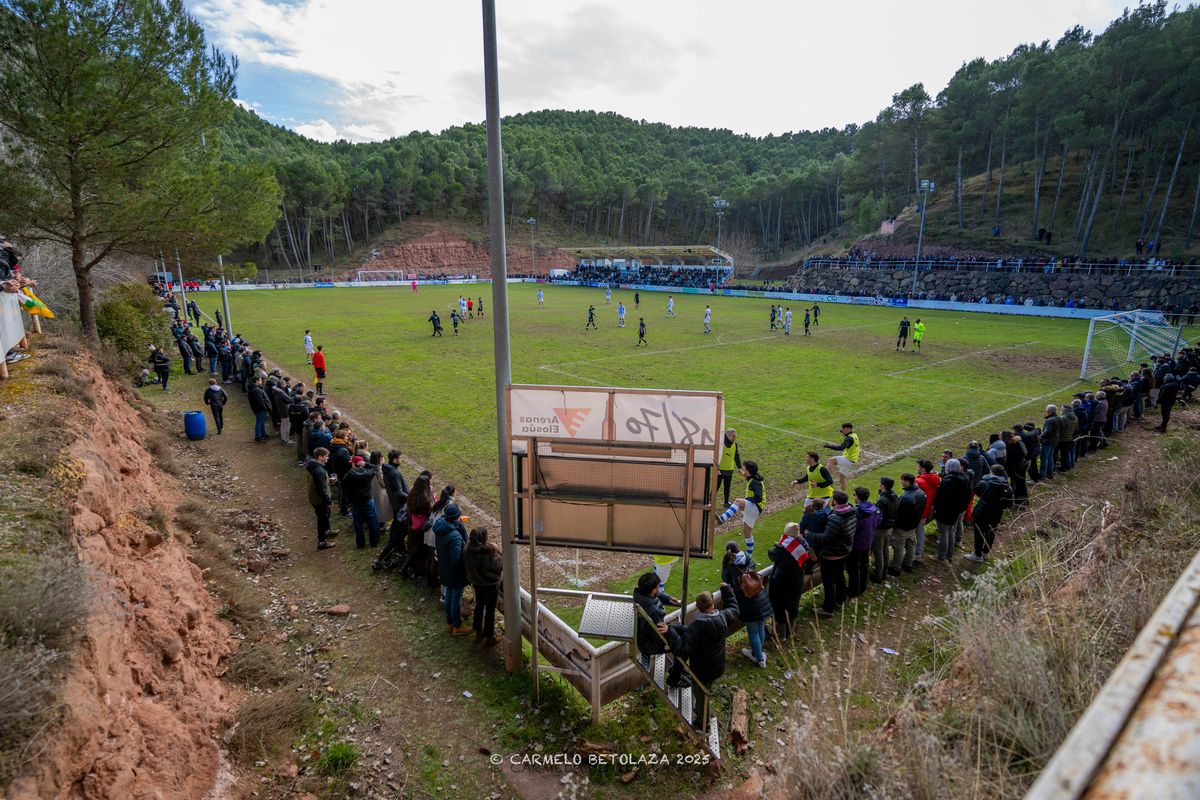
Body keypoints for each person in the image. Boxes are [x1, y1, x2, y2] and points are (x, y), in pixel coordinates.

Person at [663, 584, 739, 690]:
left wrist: (669, 632)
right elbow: (734, 608)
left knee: (701, 694)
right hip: (717, 666)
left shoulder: (695, 629)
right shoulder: (723, 618)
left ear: (697, 607)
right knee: (707, 686)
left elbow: (681, 650)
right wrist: (726, 590)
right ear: (712, 604)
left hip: (701, 671)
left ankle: (699, 705)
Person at [804, 490, 855, 616]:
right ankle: (840, 599)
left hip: (832, 554)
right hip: (844, 550)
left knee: (828, 580)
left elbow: (825, 537)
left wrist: (809, 534)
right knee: (839, 575)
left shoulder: (835, 518)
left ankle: (828, 608)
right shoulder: (852, 511)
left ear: (835, 501)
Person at [722, 541, 771, 668]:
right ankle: (758, 653)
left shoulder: (730, 566)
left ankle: (759, 659)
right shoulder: (748, 559)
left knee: (753, 631)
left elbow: (725, 580)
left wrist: (725, 565)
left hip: (746, 602)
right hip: (760, 597)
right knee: (760, 627)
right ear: (739, 548)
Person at [433, 505, 473, 635]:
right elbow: (456, 559)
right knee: (456, 597)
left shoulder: (441, 527)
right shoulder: (454, 536)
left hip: (445, 568)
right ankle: (457, 625)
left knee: (449, 594)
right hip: (454, 572)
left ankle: (449, 622)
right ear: (455, 518)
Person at [767, 523, 811, 642]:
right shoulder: (803, 543)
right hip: (797, 579)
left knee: (779, 606)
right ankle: (790, 630)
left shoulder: (784, 547)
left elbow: (772, 555)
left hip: (783, 581)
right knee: (793, 604)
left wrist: (775, 545)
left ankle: (780, 635)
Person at [715, 459, 764, 558]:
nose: (743, 470)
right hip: (755, 510)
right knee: (747, 533)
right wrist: (744, 475)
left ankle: (722, 519)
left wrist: (747, 500)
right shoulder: (753, 478)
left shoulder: (755, 482)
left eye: (744, 469)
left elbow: (758, 498)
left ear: (749, 471)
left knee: (738, 501)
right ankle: (749, 558)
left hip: (755, 507)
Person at [965, 465, 1014, 563]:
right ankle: (985, 552)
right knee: (990, 532)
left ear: (992, 472)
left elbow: (977, 491)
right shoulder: (1007, 487)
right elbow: (1009, 504)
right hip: (996, 513)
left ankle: (977, 554)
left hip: (982, 511)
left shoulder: (984, 482)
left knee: (979, 533)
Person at [632, 572, 682, 667]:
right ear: (652, 590)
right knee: (680, 644)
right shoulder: (653, 612)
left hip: (643, 637)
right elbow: (657, 635)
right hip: (649, 644)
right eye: (657, 586)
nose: (659, 587)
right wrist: (667, 644)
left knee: (680, 630)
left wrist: (668, 599)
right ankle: (677, 673)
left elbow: (656, 595)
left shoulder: (640, 595)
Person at [464, 527, 503, 644]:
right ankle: (489, 637)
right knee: (490, 611)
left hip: (476, 583)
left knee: (479, 606)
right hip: (490, 585)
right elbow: (499, 566)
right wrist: (497, 550)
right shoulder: (486, 552)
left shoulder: (466, 549)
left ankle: (478, 631)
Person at [932, 460, 971, 560]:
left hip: (945, 511)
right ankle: (950, 554)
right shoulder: (965, 478)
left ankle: (941, 556)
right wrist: (962, 508)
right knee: (951, 530)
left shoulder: (947, 481)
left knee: (944, 533)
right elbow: (967, 496)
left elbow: (941, 497)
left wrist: (936, 508)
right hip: (957, 510)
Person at [889, 473, 926, 575]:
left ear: (907, 481)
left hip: (903, 526)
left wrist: (895, 526)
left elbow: (898, 513)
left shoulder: (906, 498)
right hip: (913, 525)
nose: (901, 482)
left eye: (902, 480)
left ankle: (896, 568)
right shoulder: (921, 493)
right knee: (910, 545)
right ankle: (908, 564)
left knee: (899, 547)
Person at [342, 455, 381, 549]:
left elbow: (344, 489)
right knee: (372, 521)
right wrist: (366, 464)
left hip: (355, 502)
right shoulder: (368, 473)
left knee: (358, 523)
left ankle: (360, 543)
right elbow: (376, 467)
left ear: (354, 464)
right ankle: (374, 542)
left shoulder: (348, 475)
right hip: (367, 500)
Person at [848, 487, 880, 597]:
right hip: (868, 540)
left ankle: (853, 591)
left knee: (854, 568)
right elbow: (879, 519)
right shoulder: (874, 508)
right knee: (864, 565)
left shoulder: (857, 512)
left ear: (857, 496)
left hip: (857, 543)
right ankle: (862, 587)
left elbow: (852, 528)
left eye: (854, 494)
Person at [306, 447, 336, 550]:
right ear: (320, 457)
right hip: (320, 500)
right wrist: (328, 501)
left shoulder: (313, 466)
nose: (328, 458)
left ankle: (327, 531)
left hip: (316, 498)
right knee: (322, 519)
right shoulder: (318, 471)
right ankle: (322, 541)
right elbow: (320, 489)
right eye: (326, 456)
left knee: (326, 516)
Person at [913, 460, 940, 565]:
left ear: (923, 468)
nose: (917, 468)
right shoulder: (935, 478)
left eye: (918, 466)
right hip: (927, 509)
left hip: (918, 510)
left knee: (915, 532)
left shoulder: (919, 481)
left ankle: (914, 554)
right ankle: (918, 553)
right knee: (920, 531)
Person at [823, 422, 861, 493]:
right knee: (842, 479)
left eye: (843, 429)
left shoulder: (849, 439)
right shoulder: (854, 435)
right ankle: (844, 495)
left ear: (847, 429)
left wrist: (829, 446)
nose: (842, 431)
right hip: (852, 461)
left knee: (831, 461)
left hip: (848, 460)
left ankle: (828, 480)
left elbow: (841, 448)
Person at [872, 477, 898, 582]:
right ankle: (884, 573)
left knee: (878, 552)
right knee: (885, 550)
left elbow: (878, 516)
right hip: (890, 527)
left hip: (881, 529)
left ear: (883, 485)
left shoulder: (882, 501)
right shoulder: (894, 496)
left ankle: (878, 576)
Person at [716, 429, 742, 507]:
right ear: (728, 435)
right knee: (716, 487)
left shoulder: (735, 444)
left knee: (727, 487)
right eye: (733, 436)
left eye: (735, 436)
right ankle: (710, 501)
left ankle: (726, 502)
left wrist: (739, 467)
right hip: (720, 470)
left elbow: (736, 456)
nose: (735, 438)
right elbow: (715, 456)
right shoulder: (721, 444)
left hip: (730, 469)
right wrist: (716, 468)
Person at [1040, 405, 1061, 481]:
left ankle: (1042, 475)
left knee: (1044, 458)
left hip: (1048, 441)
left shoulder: (1049, 420)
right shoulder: (1058, 418)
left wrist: (1040, 437)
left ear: (1049, 411)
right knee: (1050, 457)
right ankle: (1050, 473)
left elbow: (1047, 431)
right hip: (1055, 440)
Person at [249, 377, 271, 442]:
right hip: (259, 408)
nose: (261, 381)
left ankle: (263, 434)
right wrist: (265, 408)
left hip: (257, 408)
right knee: (259, 422)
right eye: (260, 380)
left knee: (262, 421)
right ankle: (258, 436)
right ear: (257, 381)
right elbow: (260, 401)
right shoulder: (256, 390)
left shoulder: (254, 388)